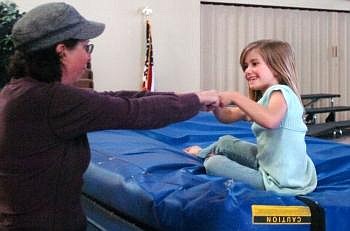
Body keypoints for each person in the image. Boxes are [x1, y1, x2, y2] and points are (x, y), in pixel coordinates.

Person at [0, 2, 219, 230]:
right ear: (62, 51)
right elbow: (133, 112)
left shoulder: (20, 91)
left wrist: (189, 97)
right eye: (86, 48)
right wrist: (195, 100)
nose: (88, 58)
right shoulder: (48, 100)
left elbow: (113, 97)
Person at [185, 39, 317, 196]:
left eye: (254, 64)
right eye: (246, 66)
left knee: (214, 164)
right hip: (270, 164)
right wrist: (215, 104)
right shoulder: (264, 100)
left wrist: (234, 96)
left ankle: (208, 157)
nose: (247, 70)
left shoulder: (281, 93)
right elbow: (229, 116)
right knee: (225, 142)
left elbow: (271, 120)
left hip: (282, 181)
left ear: (276, 67)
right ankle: (201, 153)